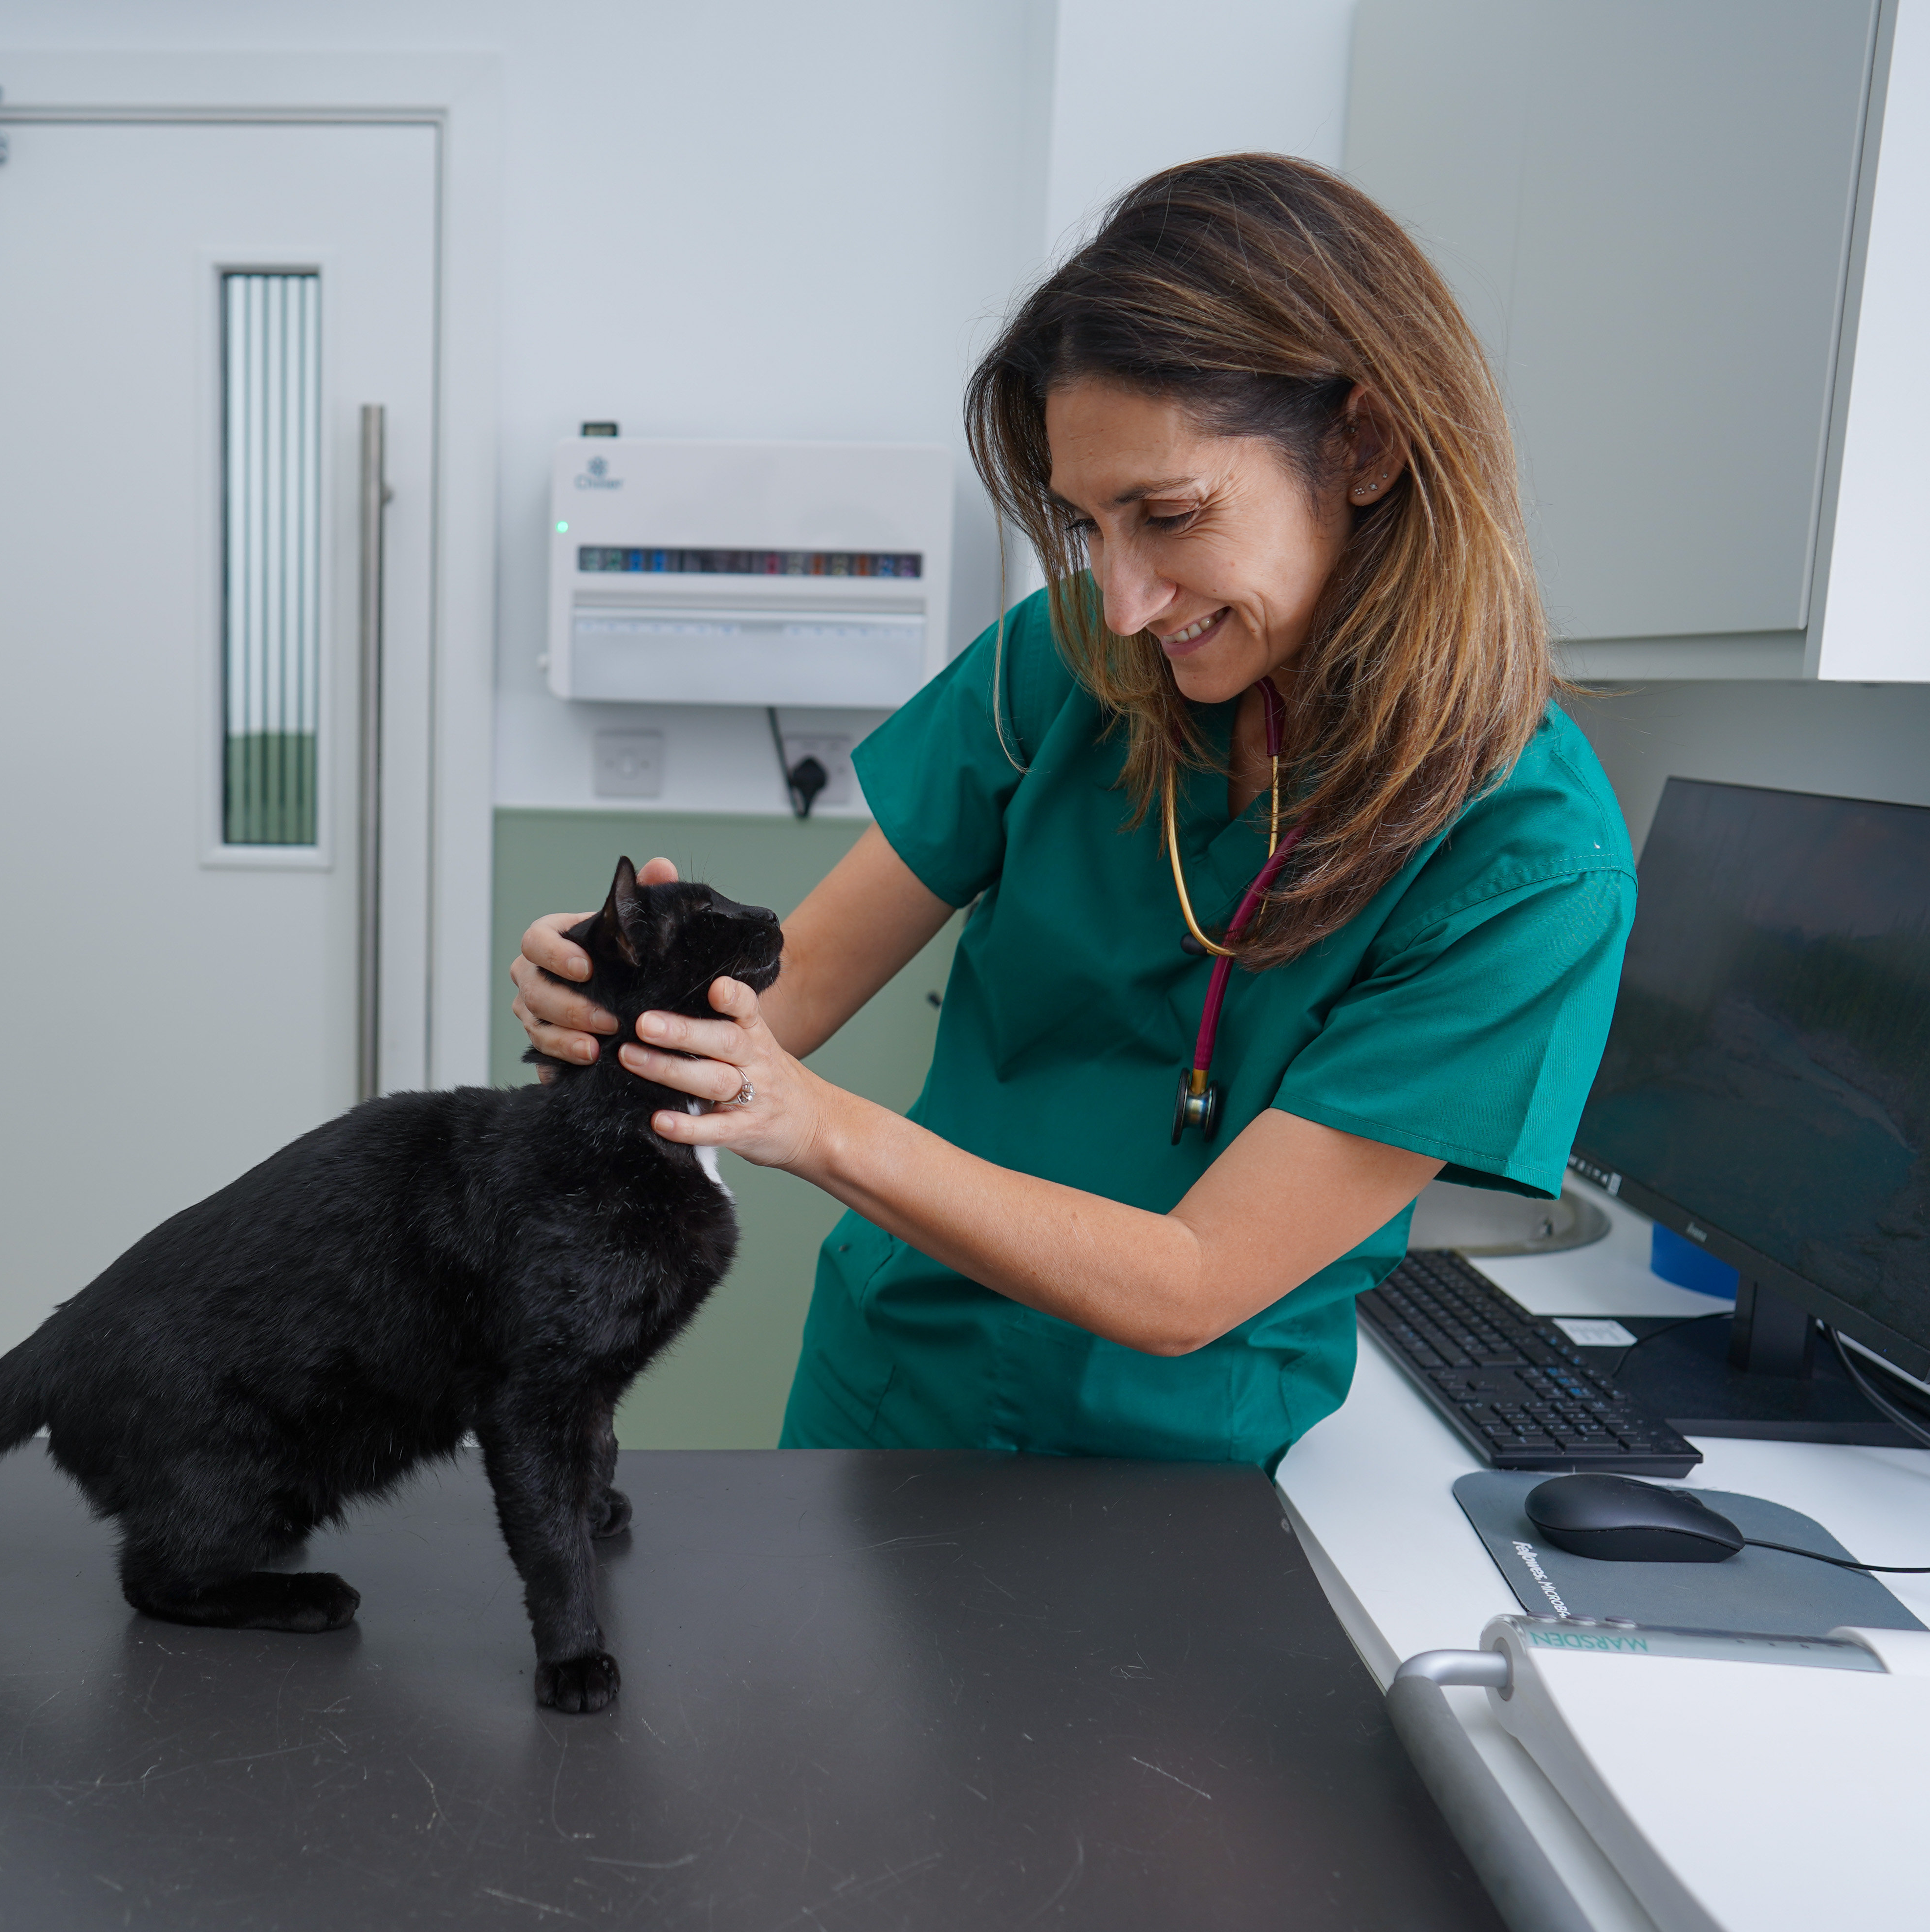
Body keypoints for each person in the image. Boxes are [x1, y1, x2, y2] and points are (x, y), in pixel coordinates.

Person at [508, 155, 1636, 1472]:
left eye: (1169, 515)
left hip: (1172, 1473)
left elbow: (1192, 1279)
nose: (1123, 601)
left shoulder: (1527, 857)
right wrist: (625, 1007)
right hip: (890, 1387)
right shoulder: (1070, 666)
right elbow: (789, 992)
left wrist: (808, 1121)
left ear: (1367, 444)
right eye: (1088, 525)